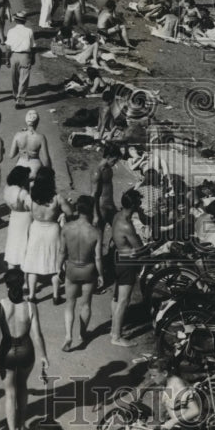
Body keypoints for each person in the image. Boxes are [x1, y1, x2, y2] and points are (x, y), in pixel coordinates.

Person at [0, 268, 48, 430]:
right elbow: (37, 334)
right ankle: (22, 425)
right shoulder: (30, 306)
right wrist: (44, 356)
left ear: (6, 284)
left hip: (7, 352)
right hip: (27, 351)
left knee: (9, 393)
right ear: (23, 284)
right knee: (23, 386)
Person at [23, 166, 72, 303]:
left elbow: (27, 209)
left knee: (32, 264)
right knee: (55, 262)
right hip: (52, 230)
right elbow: (70, 213)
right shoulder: (57, 198)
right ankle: (56, 295)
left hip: (36, 229)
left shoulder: (30, 198)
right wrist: (61, 213)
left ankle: (32, 295)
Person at [61, 195, 103, 352]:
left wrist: (58, 268)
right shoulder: (95, 232)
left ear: (77, 209)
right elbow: (98, 257)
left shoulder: (67, 227)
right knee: (85, 304)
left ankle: (68, 335)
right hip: (88, 269)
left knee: (69, 304)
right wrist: (101, 275)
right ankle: (82, 334)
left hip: (72, 268)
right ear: (91, 210)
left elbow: (61, 251)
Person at [109, 189, 145, 347]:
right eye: (139, 203)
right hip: (127, 263)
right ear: (134, 205)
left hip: (118, 258)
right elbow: (138, 248)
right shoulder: (127, 225)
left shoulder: (118, 216)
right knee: (124, 300)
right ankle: (116, 336)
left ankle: (114, 329)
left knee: (117, 297)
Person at [92, 143, 120, 251]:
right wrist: (95, 215)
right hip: (101, 207)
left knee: (118, 229)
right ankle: (99, 262)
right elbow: (94, 194)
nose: (115, 163)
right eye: (114, 160)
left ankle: (110, 255)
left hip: (110, 205)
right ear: (108, 157)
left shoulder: (108, 168)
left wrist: (113, 205)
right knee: (99, 236)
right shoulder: (97, 172)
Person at [3, 166, 32, 272]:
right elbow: (31, 206)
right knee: (24, 244)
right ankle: (24, 279)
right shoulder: (23, 193)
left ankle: (11, 269)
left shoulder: (7, 189)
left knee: (13, 243)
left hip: (14, 216)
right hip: (24, 218)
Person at [5, 11, 36, 109]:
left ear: (15, 20)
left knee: (14, 77)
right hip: (25, 56)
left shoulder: (11, 31)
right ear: (25, 21)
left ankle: (16, 95)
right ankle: (20, 99)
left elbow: (7, 48)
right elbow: (33, 46)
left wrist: (7, 59)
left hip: (14, 55)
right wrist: (33, 58)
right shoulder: (29, 31)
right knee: (24, 79)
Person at [10, 110, 51, 181]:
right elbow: (46, 159)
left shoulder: (18, 135)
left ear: (26, 121)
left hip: (20, 166)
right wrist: (49, 172)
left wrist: (20, 148)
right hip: (35, 167)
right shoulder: (41, 137)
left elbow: (11, 155)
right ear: (37, 122)